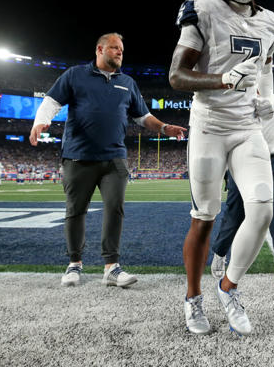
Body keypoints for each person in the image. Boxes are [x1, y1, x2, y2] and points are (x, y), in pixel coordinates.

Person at [169, 0, 274, 336]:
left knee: (263, 208)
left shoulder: (270, 22)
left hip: (247, 126)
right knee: (204, 219)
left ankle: (228, 288)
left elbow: (265, 68)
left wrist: (266, 100)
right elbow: (177, 76)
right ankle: (193, 299)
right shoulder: (203, 8)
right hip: (210, 124)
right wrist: (222, 79)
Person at [31, 33, 186, 288]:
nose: (119, 53)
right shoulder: (75, 75)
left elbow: (143, 117)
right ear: (100, 49)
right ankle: (74, 263)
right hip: (78, 156)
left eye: (122, 49)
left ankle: (111, 267)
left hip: (114, 158)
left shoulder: (127, 82)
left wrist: (164, 127)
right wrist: (40, 122)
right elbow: (51, 101)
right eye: (115, 48)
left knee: (115, 208)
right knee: (75, 211)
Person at [210, 94, 274, 309]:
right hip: (243, 160)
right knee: (234, 216)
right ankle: (220, 251)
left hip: (270, 163)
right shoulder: (241, 95)